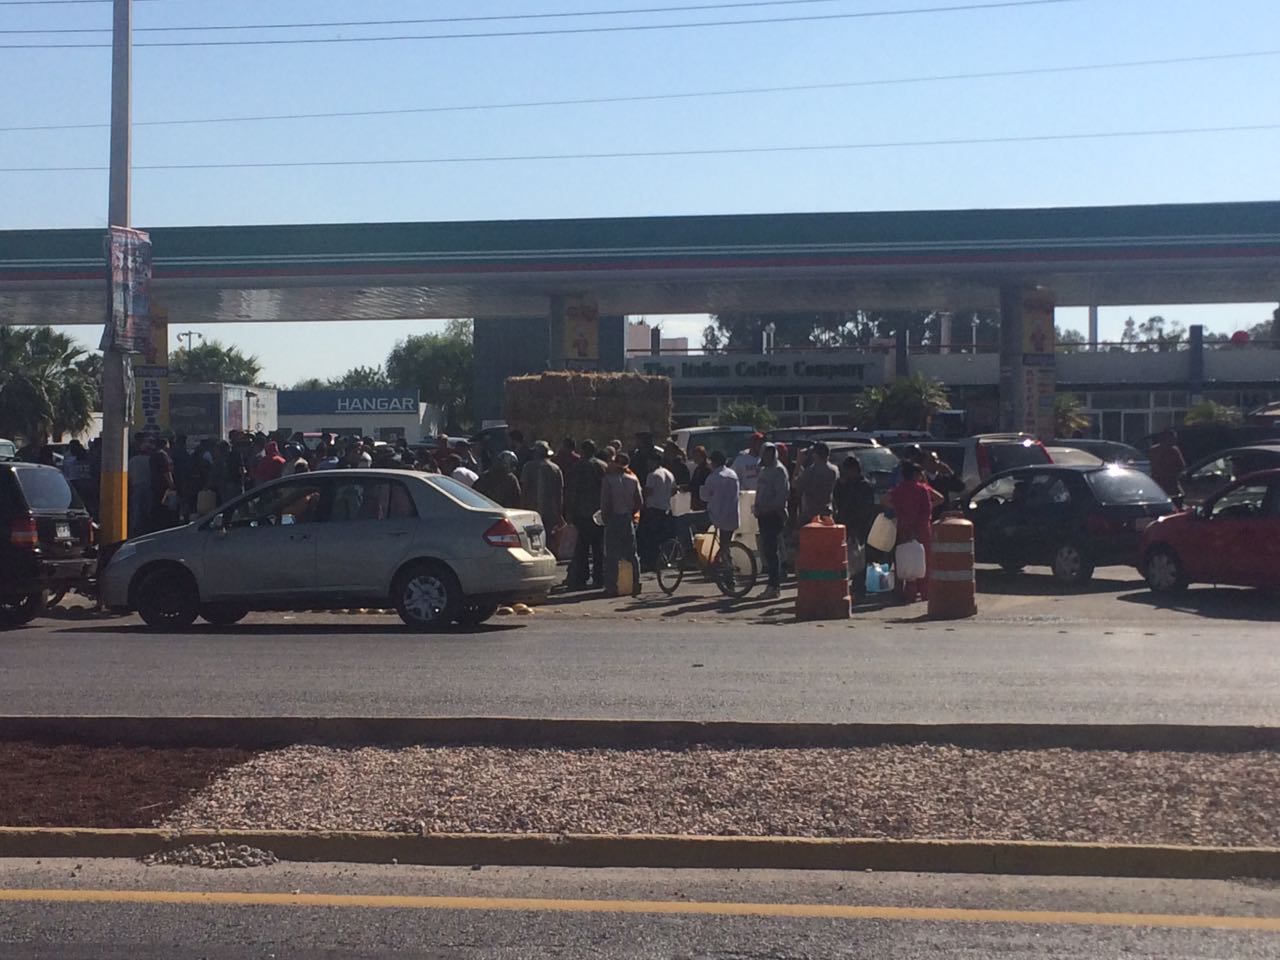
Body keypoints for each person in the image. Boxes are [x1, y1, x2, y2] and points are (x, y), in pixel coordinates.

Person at [883, 460, 942, 603]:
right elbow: (928, 508)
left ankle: (907, 591)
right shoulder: (922, 489)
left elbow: (883, 500)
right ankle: (924, 590)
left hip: (904, 527)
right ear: (916, 474)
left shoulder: (899, 489)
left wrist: (897, 509)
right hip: (921, 528)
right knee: (923, 560)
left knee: (904, 558)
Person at [600, 452, 643, 597]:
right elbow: (639, 502)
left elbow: (606, 502)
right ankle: (636, 583)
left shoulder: (608, 480)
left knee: (612, 553)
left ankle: (612, 586)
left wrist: (605, 518)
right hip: (627, 517)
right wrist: (632, 513)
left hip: (613, 517)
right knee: (632, 552)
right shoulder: (633, 480)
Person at [833, 456, 876, 597]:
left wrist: (859, 526)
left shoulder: (864, 486)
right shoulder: (845, 485)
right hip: (844, 523)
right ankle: (848, 584)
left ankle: (859, 586)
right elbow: (838, 500)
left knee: (859, 558)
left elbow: (866, 509)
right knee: (846, 557)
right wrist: (840, 485)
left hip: (859, 526)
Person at [566, 440, 607, 589]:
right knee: (598, 547)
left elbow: (572, 491)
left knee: (582, 547)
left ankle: (580, 578)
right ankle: (599, 577)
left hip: (582, 512)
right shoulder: (602, 466)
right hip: (598, 512)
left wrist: (570, 511)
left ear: (583, 451)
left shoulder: (578, 467)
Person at [753, 442, 790, 599]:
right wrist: (757, 507)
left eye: (770, 453)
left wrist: (768, 508)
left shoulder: (779, 470)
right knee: (767, 551)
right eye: (765, 453)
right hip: (762, 515)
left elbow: (782, 495)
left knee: (773, 551)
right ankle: (772, 584)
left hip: (774, 515)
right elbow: (760, 490)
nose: (767, 457)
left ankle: (774, 586)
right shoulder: (764, 470)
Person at [702, 449, 741, 586]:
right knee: (725, 545)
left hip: (716, 515)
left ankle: (729, 575)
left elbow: (704, 497)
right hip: (732, 515)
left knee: (685, 520)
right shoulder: (733, 475)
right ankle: (728, 576)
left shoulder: (713, 478)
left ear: (713, 462)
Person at [638, 447, 675, 571]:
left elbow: (648, 492)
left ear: (654, 462)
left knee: (650, 538)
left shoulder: (652, 475)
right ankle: (663, 560)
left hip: (653, 509)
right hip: (666, 508)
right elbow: (674, 490)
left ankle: (651, 562)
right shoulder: (669, 474)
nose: (648, 464)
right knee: (662, 537)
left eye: (649, 462)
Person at [520, 440, 565, 534]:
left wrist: (522, 507)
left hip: (531, 509)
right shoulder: (555, 469)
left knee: (531, 536)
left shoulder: (528, 467)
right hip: (550, 510)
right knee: (548, 536)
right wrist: (559, 512)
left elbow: (524, 489)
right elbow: (559, 492)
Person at [793, 441, 839, 522]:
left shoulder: (811, 471)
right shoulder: (834, 470)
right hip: (827, 513)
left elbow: (794, 484)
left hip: (810, 514)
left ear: (815, 455)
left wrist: (798, 463)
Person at [1148, 429, 1186, 498]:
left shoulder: (1174, 450)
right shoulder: (1155, 450)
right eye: (1171, 439)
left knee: (1179, 497)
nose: (1174, 441)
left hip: (1172, 480)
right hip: (1159, 479)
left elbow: (1181, 465)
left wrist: (1176, 472)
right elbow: (1154, 464)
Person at [688, 445, 711, 511]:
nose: (695, 458)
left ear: (703, 456)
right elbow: (692, 483)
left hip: (704, 501)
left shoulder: (708, 469)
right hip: (696, 501)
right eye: (694, 456)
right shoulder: (697, 469)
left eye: (697, 456)